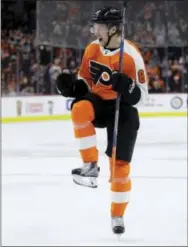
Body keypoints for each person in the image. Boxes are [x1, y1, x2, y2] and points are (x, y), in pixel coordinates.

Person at [56, 7, 148, 235]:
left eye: (99, 26)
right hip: (98, 103)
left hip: (122, 110)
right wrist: (73, 88)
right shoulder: (92, 49)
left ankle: (117, 214)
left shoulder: (132, 55)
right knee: (79, 108)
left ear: (113, 28)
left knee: (119, 168)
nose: (94, 30)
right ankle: (90, 166)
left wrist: (128, 87)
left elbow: (143, 98)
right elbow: (85, 81)